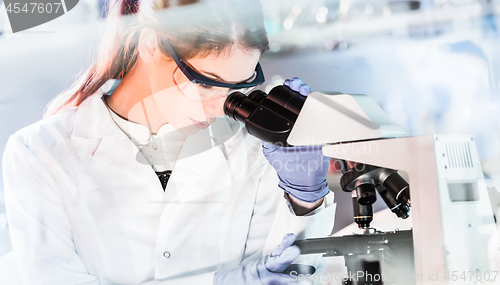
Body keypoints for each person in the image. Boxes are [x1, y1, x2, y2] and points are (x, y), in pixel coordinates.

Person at [2, 0, 336, 284]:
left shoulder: (254, 150)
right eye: (206, 84)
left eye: (234, 88)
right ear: (151, 46)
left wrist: (305, 200)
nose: (219, 106)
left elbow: (294, 272)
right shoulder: (39, 154)